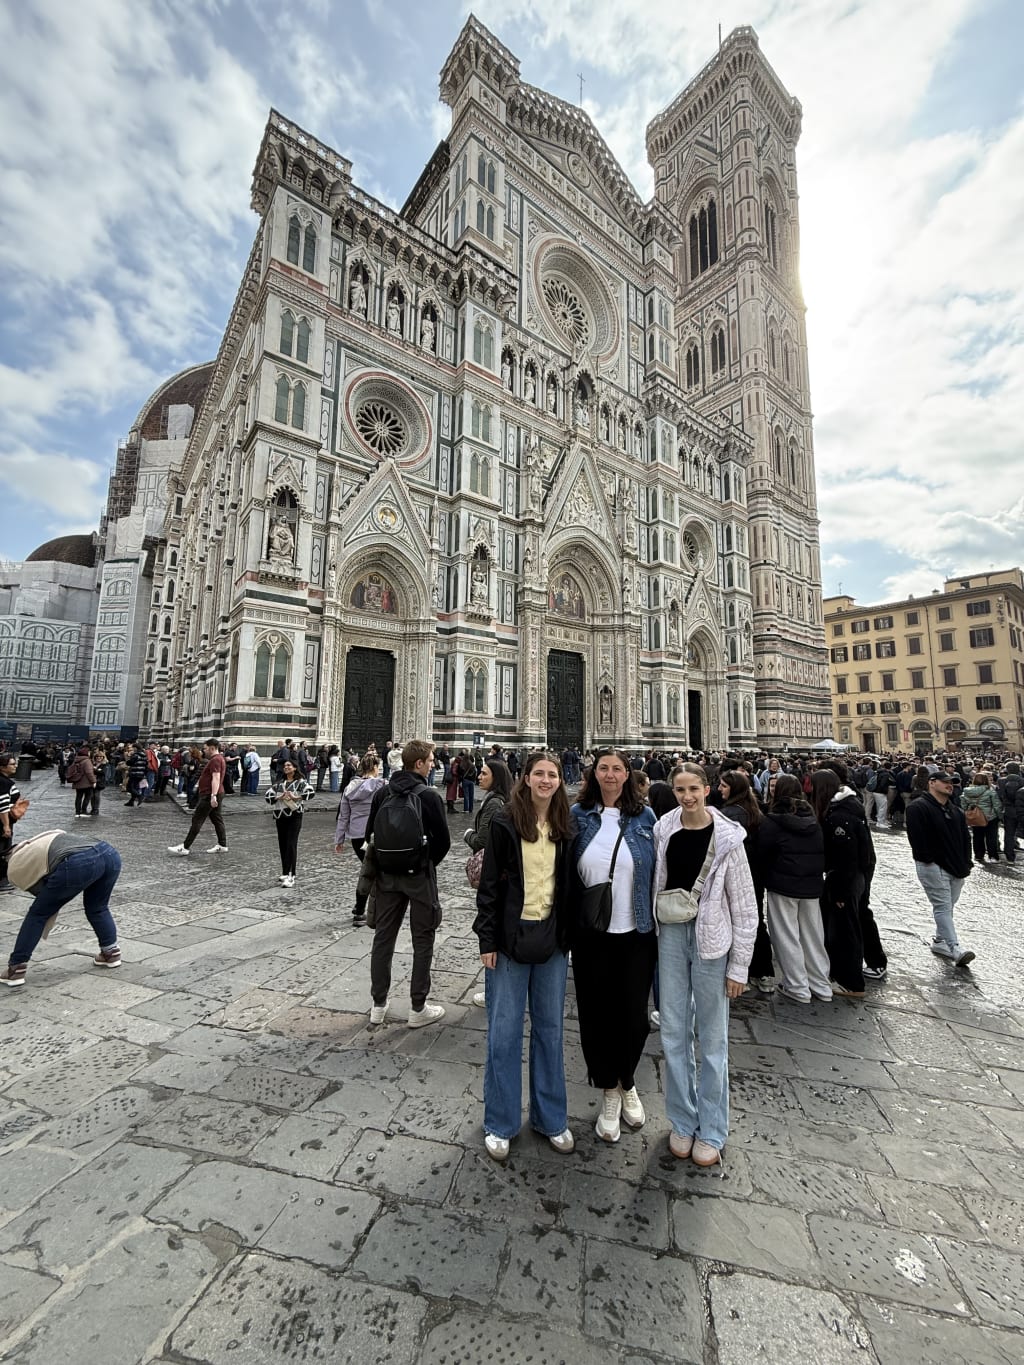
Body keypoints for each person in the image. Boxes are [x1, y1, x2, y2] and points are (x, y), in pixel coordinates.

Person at [473, 751, 576, 1161]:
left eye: (552, 775)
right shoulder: (504, 823)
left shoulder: (566, 826)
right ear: (526, 778)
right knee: (504, 1031)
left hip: (551, 941)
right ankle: (500, 1122)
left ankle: (551, 1118)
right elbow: (490, 890)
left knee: (551, 1032)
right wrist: (487, 941)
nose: (546, 781)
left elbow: (569, 884)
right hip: (509, 942)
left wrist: (568, 936)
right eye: (540, 774)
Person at [653, 763, 757, 1166]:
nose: (687, 796)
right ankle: (682, 1120)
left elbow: (746, 908)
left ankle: (712, 1128)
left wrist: (739, 968)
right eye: (680, 789)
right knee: (674, 1032)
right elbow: (655, 882)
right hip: (673, 935)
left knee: (712, 1039)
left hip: (713, 942)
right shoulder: (665, 829)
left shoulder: (729, 839)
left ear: (708, 789)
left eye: (694, 788)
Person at [570, 747, 657, 1144]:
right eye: (603, 768)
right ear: (594, 774)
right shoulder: (576, 818)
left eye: (616, 769)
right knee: (596, 1013)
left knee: (635, 1016)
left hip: (637, 932)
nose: (610, 775)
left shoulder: (645, 818)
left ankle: (628, 1081)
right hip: (592, 935)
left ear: (627, 775)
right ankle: (609, 1089)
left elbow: (664, 867)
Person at [359, 740, 451, 1026]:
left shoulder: (383, 792)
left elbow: (369, 834)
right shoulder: (429, 796)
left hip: (386, 878)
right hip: (419, 878)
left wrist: (387, 863)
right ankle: (417, 1008)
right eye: (431, 760)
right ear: (419, 764)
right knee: (422, 940)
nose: (434, 764)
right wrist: (423, 862)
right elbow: (444, 842)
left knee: (383, 939)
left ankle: (378, 1004)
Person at [1, 830, 122, 986]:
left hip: (79, 861)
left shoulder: (15, 866)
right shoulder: (37, 840)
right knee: (98, 907)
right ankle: (110, 952)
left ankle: (16, 968)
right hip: (109, 853)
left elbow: (39, 890)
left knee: (38, 914)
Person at [758, 775, 831, 1003]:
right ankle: (821, 985)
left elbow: (763, 853)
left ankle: (797, 986)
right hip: (811, 886)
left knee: (786, 935)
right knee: (813, 935)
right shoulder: (813, 818)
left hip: (783, 885)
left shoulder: (772, 821)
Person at [810, 769, 877, 997]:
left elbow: (847, 857)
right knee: (845, 927)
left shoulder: (840, 816)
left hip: (846, 880)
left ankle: (851, 983)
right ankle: (843, 975)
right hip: (851, 878)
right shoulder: (848, 806)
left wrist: (839, 891)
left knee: (846, 931)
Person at [906, 771, 975, 966]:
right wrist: (928, 860)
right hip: (934, 867)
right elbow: (917, 838)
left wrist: (966, 862)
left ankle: (939, 941)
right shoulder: (918, 808)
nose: (950, 785)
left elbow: (965, 837)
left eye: (952, 782)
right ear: (932, 783)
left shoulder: (955, 810)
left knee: (947, 907)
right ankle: (955, 947)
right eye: (945, 782)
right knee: (943, 907)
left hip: (956, 867)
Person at [718, 770, 774, 994]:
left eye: (723, 785)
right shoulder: (756, 811)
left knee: (733, 921)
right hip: (755, 875)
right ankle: (765, 972)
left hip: (735, 875)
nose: (719, 789)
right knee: (754, 920)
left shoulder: (728, 815)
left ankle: (741, 973)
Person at [465, 757, 514, 1007]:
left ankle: (495, 991)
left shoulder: (495, 804)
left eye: (483, 773)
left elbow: (485, 841)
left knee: (492, 932)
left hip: (496, 879)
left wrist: (468, 835)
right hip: (502, 879)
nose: (479, 777)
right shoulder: (502, 800)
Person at [335, 753, 387, 924]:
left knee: (368, 869)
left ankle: (360, 909)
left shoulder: (350, 787)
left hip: (357, 836)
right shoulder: (382, 785)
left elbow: (344, 815)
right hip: (376, 834)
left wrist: (339, 839)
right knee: (376, 872)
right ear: (374, 768)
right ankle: (374, 909)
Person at [167, 739, 228, 856]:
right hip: (215, 793)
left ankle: (185, 847)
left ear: (212, 748)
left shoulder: (215, 760)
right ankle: (222, 845)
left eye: (205, 748)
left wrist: (213, 795)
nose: (203, 751)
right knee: (217, 819)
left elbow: (216, 777)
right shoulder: (219, 759)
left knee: (197, 819)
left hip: (209, 794)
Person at [265, 758, 314, 886]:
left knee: (291, 844)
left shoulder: (300, 783)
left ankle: (291, 875)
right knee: (283, 844)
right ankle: (285, 872)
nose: (286, 767)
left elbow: (310, 792)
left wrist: (296, 797)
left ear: (295, 768)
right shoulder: (279, 783)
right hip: (280, 816)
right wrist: (279, 797)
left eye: (289, 765)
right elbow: (268, 797)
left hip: (295, 816)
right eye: (285, 765)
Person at [962, 770, 1002, 864]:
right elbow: (997, 805)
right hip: (990, 816)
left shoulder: (967, 791)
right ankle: (993, 856)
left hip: (975, 817)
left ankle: (978, 855)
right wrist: (999, 816)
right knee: (991, 837)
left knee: (977, 836)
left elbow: (963, 805)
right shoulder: (990, 791)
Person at [0, 752, 22, 892]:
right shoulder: (4, 783)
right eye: (12, 764)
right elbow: (2, 806)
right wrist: (6, 825)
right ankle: (2, 880)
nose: (15, 766)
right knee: (3, 851)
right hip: (2, 822)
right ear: (2, 767)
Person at [996, 762, 1022, 863]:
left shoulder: (1001, 781)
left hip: (1008, 810)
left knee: (1009, 834)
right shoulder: (1022, 781)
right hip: (1021, 810)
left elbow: (999, 795)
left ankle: (1009, 856)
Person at [67, 746, 96, 818]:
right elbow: (89, 772)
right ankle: (83, 811)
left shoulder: (76, 760)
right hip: (86, 782)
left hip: (77, 781)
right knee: (88, 796)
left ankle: (77, 812)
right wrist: (93, 781)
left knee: (78, 797)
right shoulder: (87, 761)